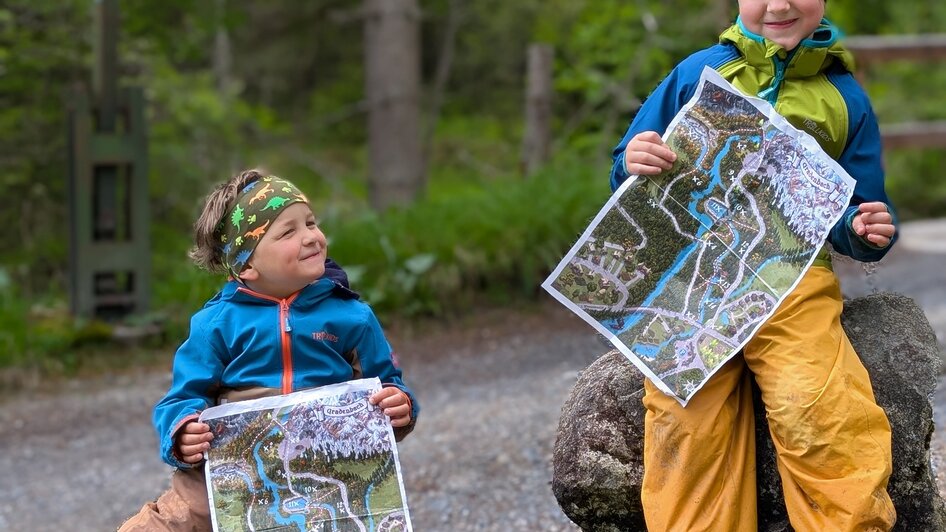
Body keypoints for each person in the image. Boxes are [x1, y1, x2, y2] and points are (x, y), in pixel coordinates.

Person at [610, 1, 898, 530]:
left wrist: (866, 230)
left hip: (793, 282)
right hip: (690, 285)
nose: (781, 4)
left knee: (821, 413)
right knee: (685, 430)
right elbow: (628, 164)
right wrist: (633, 160)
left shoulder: (845, 97)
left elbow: (856, 208)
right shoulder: (698, 72)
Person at [119, 170, 418, 531]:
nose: (311, 237)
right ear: (246, 266)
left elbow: (386, 384)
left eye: (310, 222)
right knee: (160, 524)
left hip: (326, 468)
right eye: (288, 232)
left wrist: (400, 406)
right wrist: (182, 433)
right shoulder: (216, 324)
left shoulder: (351, 316)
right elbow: (181, 398)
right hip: (231, 467)